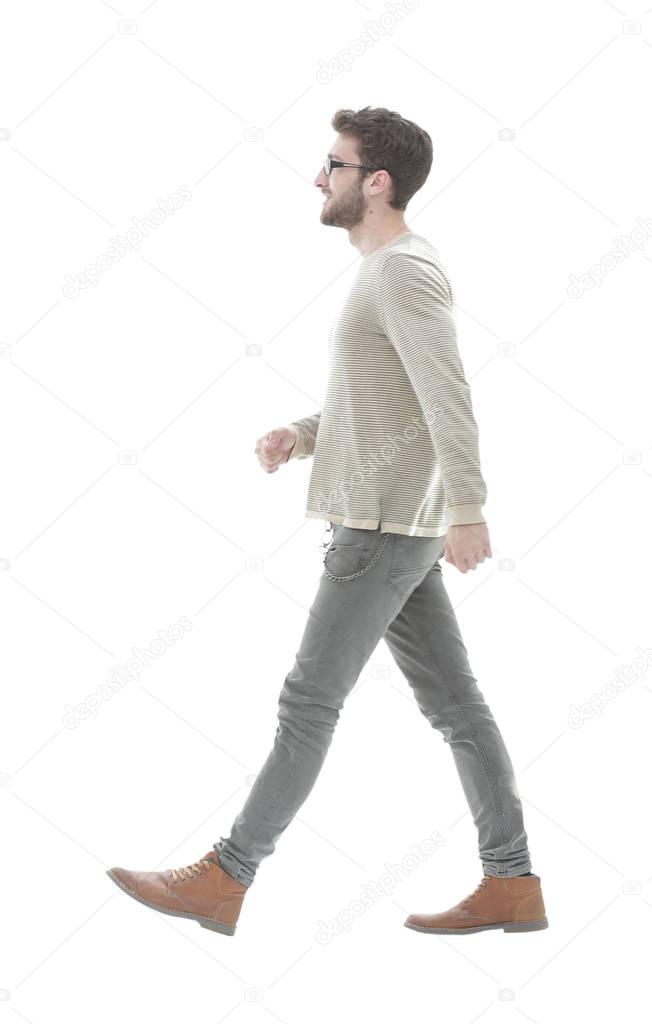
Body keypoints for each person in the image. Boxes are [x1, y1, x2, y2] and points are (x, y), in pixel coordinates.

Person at [107, 106, 548, 937]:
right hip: (391, 523)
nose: (319, 177)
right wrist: (303, 435)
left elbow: (447, 396)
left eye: (334, 165)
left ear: (375, 182)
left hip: (381, 528)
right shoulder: (388, 270)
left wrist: (469, 508)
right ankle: (512, 884)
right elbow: (387, 397)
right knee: (457, 707)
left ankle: (226, 878)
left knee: (309, 703)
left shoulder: (399, 272)